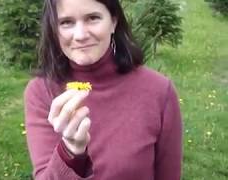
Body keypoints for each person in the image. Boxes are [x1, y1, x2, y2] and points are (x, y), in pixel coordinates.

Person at [24, 0, 183, 179]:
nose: (80, 35)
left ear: (113, 22)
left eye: (92, 18)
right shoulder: (41, 92)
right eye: (66, 22)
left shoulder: (159, 91)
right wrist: (71, 151)